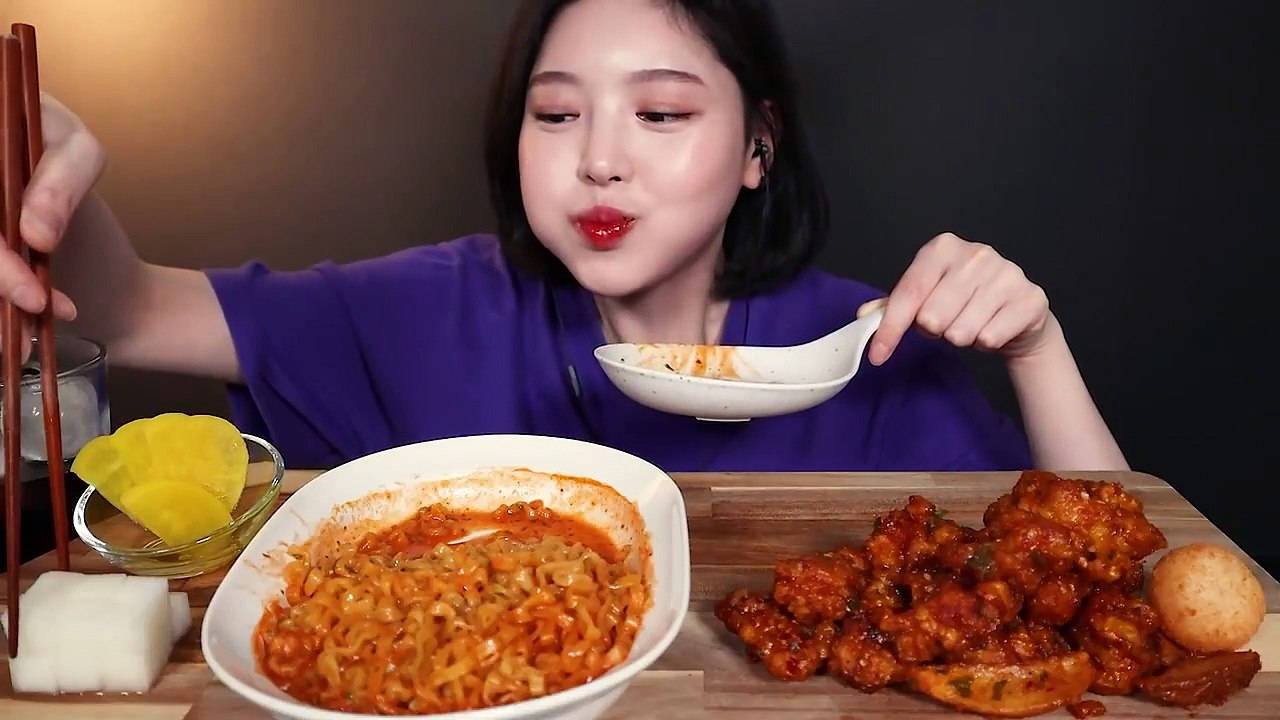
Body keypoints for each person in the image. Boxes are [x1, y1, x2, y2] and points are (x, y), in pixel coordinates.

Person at [0, 0, 1126, 473]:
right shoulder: (430, 307)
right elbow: (130, 307)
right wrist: (32, 160)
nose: (598, 157)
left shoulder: (867, 345)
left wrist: (1034, 349)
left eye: (663, 113)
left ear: (755, 148)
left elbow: (1120, 582)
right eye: (554, 113)